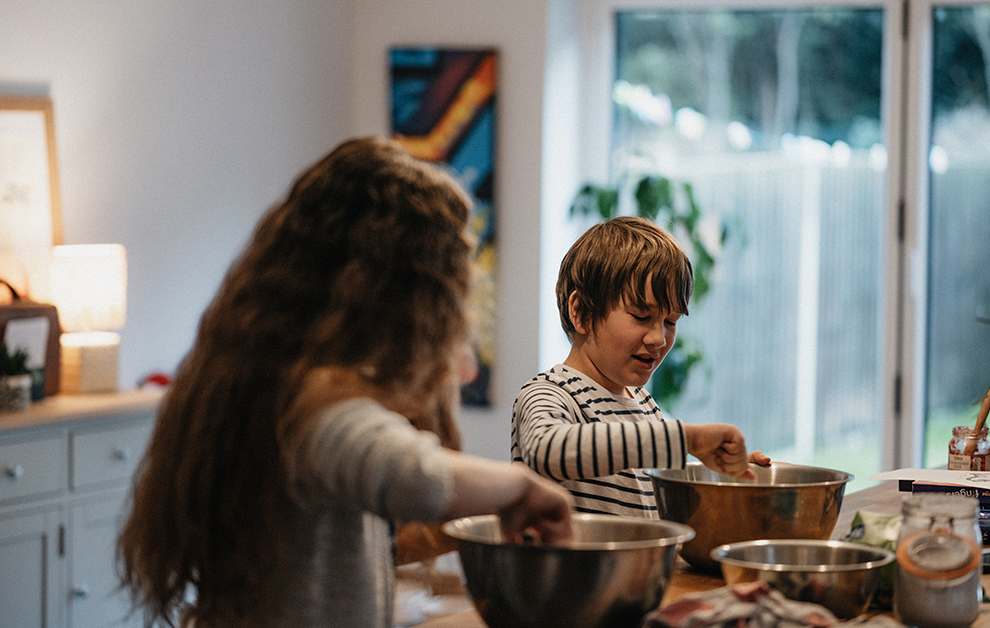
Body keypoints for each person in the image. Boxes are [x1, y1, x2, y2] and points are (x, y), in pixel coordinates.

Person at [118, 138, 574, 628]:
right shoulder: (313, 404)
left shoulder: (261, 375)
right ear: (400, 293)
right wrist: (522, 487)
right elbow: (413, 476)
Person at [511, 216, 769, 518]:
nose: (659, 338)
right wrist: (688, 439)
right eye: (641, 316)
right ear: (580, 312)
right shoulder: (549, 394)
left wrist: (722, 471)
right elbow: (547, 450)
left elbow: (646, 469)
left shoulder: (643, 403)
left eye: (670, 322)